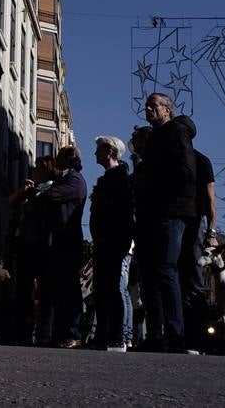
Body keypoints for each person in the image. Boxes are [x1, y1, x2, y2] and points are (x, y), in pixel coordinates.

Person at [135, 92, 197, 352]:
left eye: (154, 105)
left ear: (168, 109)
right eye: (147, 105)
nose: (148, 109)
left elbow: (186, 171)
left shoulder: (175, 132)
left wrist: (156, 187)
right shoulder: (154, 138)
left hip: (170, 211)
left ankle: (176, 335)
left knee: (166, 269)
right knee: (150, 273)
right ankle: (155, 336)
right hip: (153, 213)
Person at [90, 135, 135, 352]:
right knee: (102, 288)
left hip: (113, 242)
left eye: (99, 150)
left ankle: (117, 335)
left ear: (109, 152)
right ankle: (103, 334)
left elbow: (122, 214)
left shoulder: (119, 179)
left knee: (114, 288)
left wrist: (120, 241)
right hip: (104, 241)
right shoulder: (109, 178)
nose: (95, 154)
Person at [40, 145, 88, 348]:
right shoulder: (64, 179)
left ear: (70, 158)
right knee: (58, 288)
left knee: (69, 288)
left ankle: (73, 333)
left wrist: (45, 191)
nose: (56, 157)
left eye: (60, 154)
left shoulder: (75, 179)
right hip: (59, 239)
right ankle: (60, 334)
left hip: (68, 240)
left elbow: (49, 196)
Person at [10, 155, 55, 346]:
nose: (33, 171)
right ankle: (23, 332)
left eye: (37, 168)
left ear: (45, 170)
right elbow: (10, 202)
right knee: (24, 290)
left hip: (41, 245)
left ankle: (44, 334)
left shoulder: (51, 190)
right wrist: (22, 191)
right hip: (24, 244)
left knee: (44, 292)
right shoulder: (31, 191)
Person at [181, 149, 217, 314]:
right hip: (179, 222)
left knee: (195, 270)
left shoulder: (201, 160)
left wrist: (211, 232)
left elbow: (211, 200)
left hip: (194, 221)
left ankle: (197, 317)